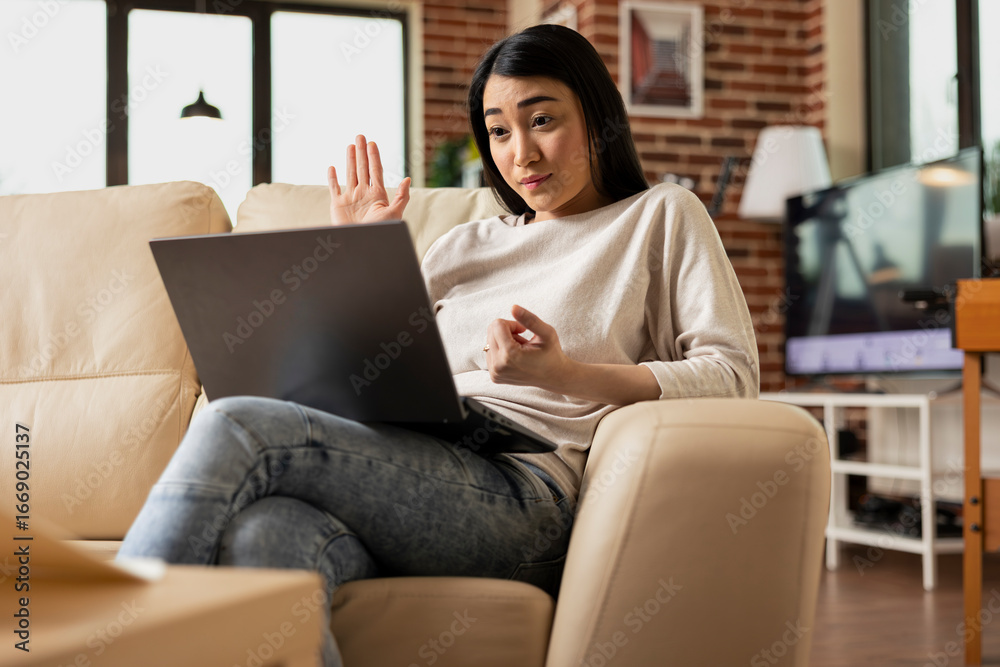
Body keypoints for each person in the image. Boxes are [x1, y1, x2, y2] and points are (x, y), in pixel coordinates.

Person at [116, 23, 758, 667]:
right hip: (413, 466)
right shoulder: (462, 245)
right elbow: (368, 377)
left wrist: (565, 374)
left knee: (238, 426)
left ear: (597, 116)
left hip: (523, 495)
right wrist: (358, 254)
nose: (522, 154)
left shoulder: (659, 215)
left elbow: (732, 375)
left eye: (542, 120)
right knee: (269, 534)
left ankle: (96, 643)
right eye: (500, 131)